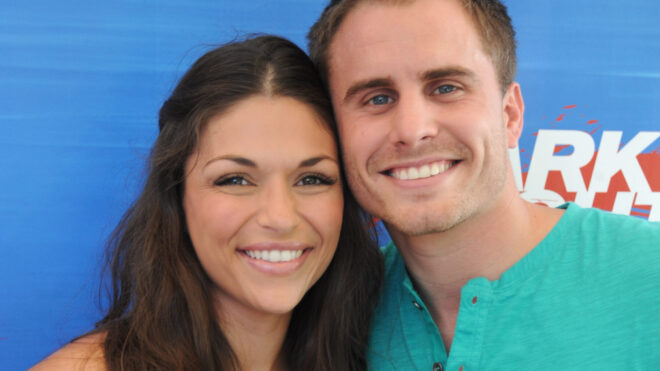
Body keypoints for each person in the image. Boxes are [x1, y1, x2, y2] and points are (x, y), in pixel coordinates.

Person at [308, 0, 660, 370]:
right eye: (377, 98)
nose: (412, 130)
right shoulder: (329, 316)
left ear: (510, 115)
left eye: (446, 88)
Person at [31, 35, 383, 371]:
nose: (280, 217)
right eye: (235, 180)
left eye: (312, 179)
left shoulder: (372, 357)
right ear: (177, 197)